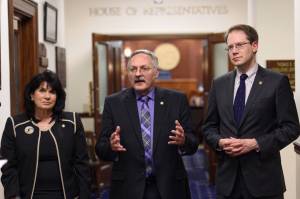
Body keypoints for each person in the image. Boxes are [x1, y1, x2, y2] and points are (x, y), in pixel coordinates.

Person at [202, 24, 300, 199]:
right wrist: (220, 142)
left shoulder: (276, 82)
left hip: (264, 181)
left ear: (254, 46)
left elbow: (291, 128)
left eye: (239, 45)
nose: (234, 51)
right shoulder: (219, 84)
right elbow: (208, 127)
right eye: (230, 47)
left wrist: (255, 143)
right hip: (228, 182)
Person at [95, 49, 199, 199]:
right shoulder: (113, 103)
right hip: (128, 188)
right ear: (128, 74)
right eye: (133, 69)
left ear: (156, 72)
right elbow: (101, 149)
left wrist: (184, 141)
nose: (138, 73)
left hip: (169, 186)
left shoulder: (176, 100)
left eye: (144, 68)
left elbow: (193, 144)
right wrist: (111, 146)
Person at [1, 70, 90, 199]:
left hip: (67, 195)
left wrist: (83, 196)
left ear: (57, 96)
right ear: (31, 95)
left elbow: (82, 165)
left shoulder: (73, 122)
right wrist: (14, 195)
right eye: (42, 90)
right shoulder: (15, 124)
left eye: (52, 92)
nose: (47, 96)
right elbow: (6, 164)